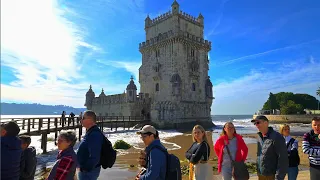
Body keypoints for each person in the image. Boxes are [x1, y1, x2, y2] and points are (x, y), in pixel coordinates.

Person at [251, 115, 288, 180]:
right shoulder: (259, 136)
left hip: (271, 175)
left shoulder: (277, 137)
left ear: (266, 123)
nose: (256, 125)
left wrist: (279, 177)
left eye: (258, 123)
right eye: (255, 123)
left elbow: (283, 159)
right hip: (261, 174)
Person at [77, 110, 104, 180]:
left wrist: (85, 169)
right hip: (87, 172)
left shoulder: (94, 134)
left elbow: (95, 157)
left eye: (83, 118)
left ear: (89, 120)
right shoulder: (91, 132)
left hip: (88, 173)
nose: (81, 120)